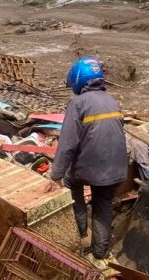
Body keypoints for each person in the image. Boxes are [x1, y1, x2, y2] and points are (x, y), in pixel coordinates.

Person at [50, 57, 128, 267]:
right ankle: (99, 253)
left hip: (92, 169)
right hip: (118, 169)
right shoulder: (112, 100)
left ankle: (81, 232)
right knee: (103, 203)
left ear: (78, 79)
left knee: (70, 182)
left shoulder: (78, 103)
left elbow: (67, 143)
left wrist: (56, 174)